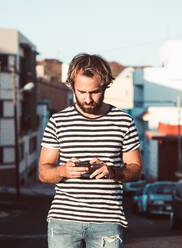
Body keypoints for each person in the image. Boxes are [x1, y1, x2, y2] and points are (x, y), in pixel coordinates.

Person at [39, 53, 142, 248]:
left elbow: (136, 170)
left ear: (105, 86)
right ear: (72, 86)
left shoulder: (124, 122)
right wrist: (63, 171)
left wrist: (112, 171)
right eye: (81, 92)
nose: (87, 99)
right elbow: (44, 172)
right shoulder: (57, 122)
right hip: (63, 222)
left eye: (95, 92)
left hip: (107, 221)